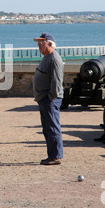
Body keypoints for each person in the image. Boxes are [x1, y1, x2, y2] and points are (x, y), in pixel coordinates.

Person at [33, 33, 64, 165]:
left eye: (42, 42)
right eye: (38, 42)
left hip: (50, 100)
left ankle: (55, 156)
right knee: (47, 128)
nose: (39, 45)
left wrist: (50, 98)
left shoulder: (54, 59)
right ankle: (52, 155)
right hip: (44, 99)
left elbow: (56, 82)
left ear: (50, 44)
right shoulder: (47, 57)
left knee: (52, 128)